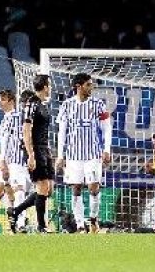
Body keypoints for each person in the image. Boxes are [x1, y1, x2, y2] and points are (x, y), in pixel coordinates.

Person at [55, 73, 112, 233]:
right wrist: (60, 155)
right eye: (88, 85)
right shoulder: (66, 105)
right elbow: (62, 132)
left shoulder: (98, 104)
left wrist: (106, 150)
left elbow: (107, 128)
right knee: (76, 189)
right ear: (78, 86)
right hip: (73, 156)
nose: (91, 87)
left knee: (94, 188)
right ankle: (80, 225)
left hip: (93, 154)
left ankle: (93, 219)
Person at [7, 74, 54, 234]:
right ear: (45, 86)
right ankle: (42, 227)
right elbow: (26, 130)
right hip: (35, 149)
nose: (51, 88)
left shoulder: (42, 104)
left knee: (47, 189)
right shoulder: (31, 103)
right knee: (41, 187)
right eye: (50, 85)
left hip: (44, 149)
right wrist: (31, 154)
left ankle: (16, 211)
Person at [0, 89, 32, 233]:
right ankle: (15, 213)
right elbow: (4, 142)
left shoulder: (19, 117)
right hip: (6, 160)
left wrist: (30, 155)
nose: (0, 102)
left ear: (11, 101)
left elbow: (26, 136)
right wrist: (1, 159)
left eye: (3, 99)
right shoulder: (4, 120)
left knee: (18, 190)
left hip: (17, 161)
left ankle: (21, 223)